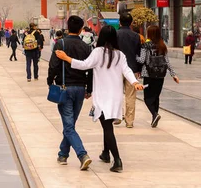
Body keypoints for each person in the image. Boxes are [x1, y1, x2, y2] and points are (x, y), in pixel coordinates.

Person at [55, 25, 144, 173]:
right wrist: (134, 82)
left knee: (108, 128)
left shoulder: (98, 52)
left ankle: (117, 160)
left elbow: (84, 65)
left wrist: (66, 58)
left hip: (103, 97)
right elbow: (127, 70)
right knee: (106, 125)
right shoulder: (119, 54)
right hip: (115, 97)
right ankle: (105, 153)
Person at [48, 16, 94, 170]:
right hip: (80, 89)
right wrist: (89, 88)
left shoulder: (60, 43)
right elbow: (90, 69)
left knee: (68, 126)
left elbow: (53, 65)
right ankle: (63, 154)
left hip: (64, 88)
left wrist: (49, 81)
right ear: (81, 29)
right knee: (71, 124)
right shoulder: (86, 47)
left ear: (68, 27)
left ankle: (82, 155)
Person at [137, 25, 180, 128]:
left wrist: (134, 56)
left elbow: (142, 60)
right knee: (156, 97)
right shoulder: (162, 45)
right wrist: (173, 74)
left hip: (148, 74)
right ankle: (154, 118)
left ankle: (155, 114)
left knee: (147, 98)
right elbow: (166, 61)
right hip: (161, 75)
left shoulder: (145, 46)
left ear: (149, 34)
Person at [116, 12, 143, 128]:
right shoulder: (136, 36)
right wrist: (139, 69)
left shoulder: (115, 35)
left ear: (119, 22)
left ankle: (117, 117)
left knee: (116, 93)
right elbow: (139, 54)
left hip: (116, 68)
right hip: (132, 69)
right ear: (131, 23)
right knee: (131, 95)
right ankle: (129, 121)